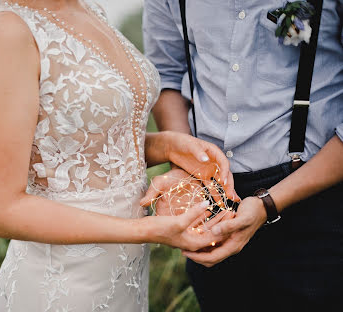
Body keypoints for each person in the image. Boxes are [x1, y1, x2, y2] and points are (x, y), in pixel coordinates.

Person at [0, 0, 236, 310]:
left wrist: (167, 145)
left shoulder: (89, 11)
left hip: (124, 283)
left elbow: (79, 146)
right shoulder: (6, 32)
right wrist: (142, 230)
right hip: (61, 288)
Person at [143, 0, 343, 311]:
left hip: (316, 197)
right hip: (210, 197)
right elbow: (166, 76)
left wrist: (267, 205)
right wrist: (185, 169)